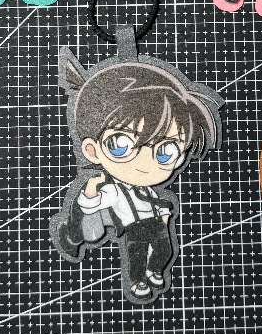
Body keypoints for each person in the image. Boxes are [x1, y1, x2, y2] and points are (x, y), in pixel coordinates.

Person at [51, 49, 222, 302]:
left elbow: (153, 201)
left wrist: (163, 214)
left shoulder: (148, 189)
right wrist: (90, 189)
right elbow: (91, 204)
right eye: (120, 145)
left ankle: (155, 270)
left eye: (166, 151)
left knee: (165, 249)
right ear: (92, 150)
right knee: (136, 254)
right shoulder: (112, 189)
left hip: (155, 222)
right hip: (132, 228)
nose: (144, 162)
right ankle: (138, 279)